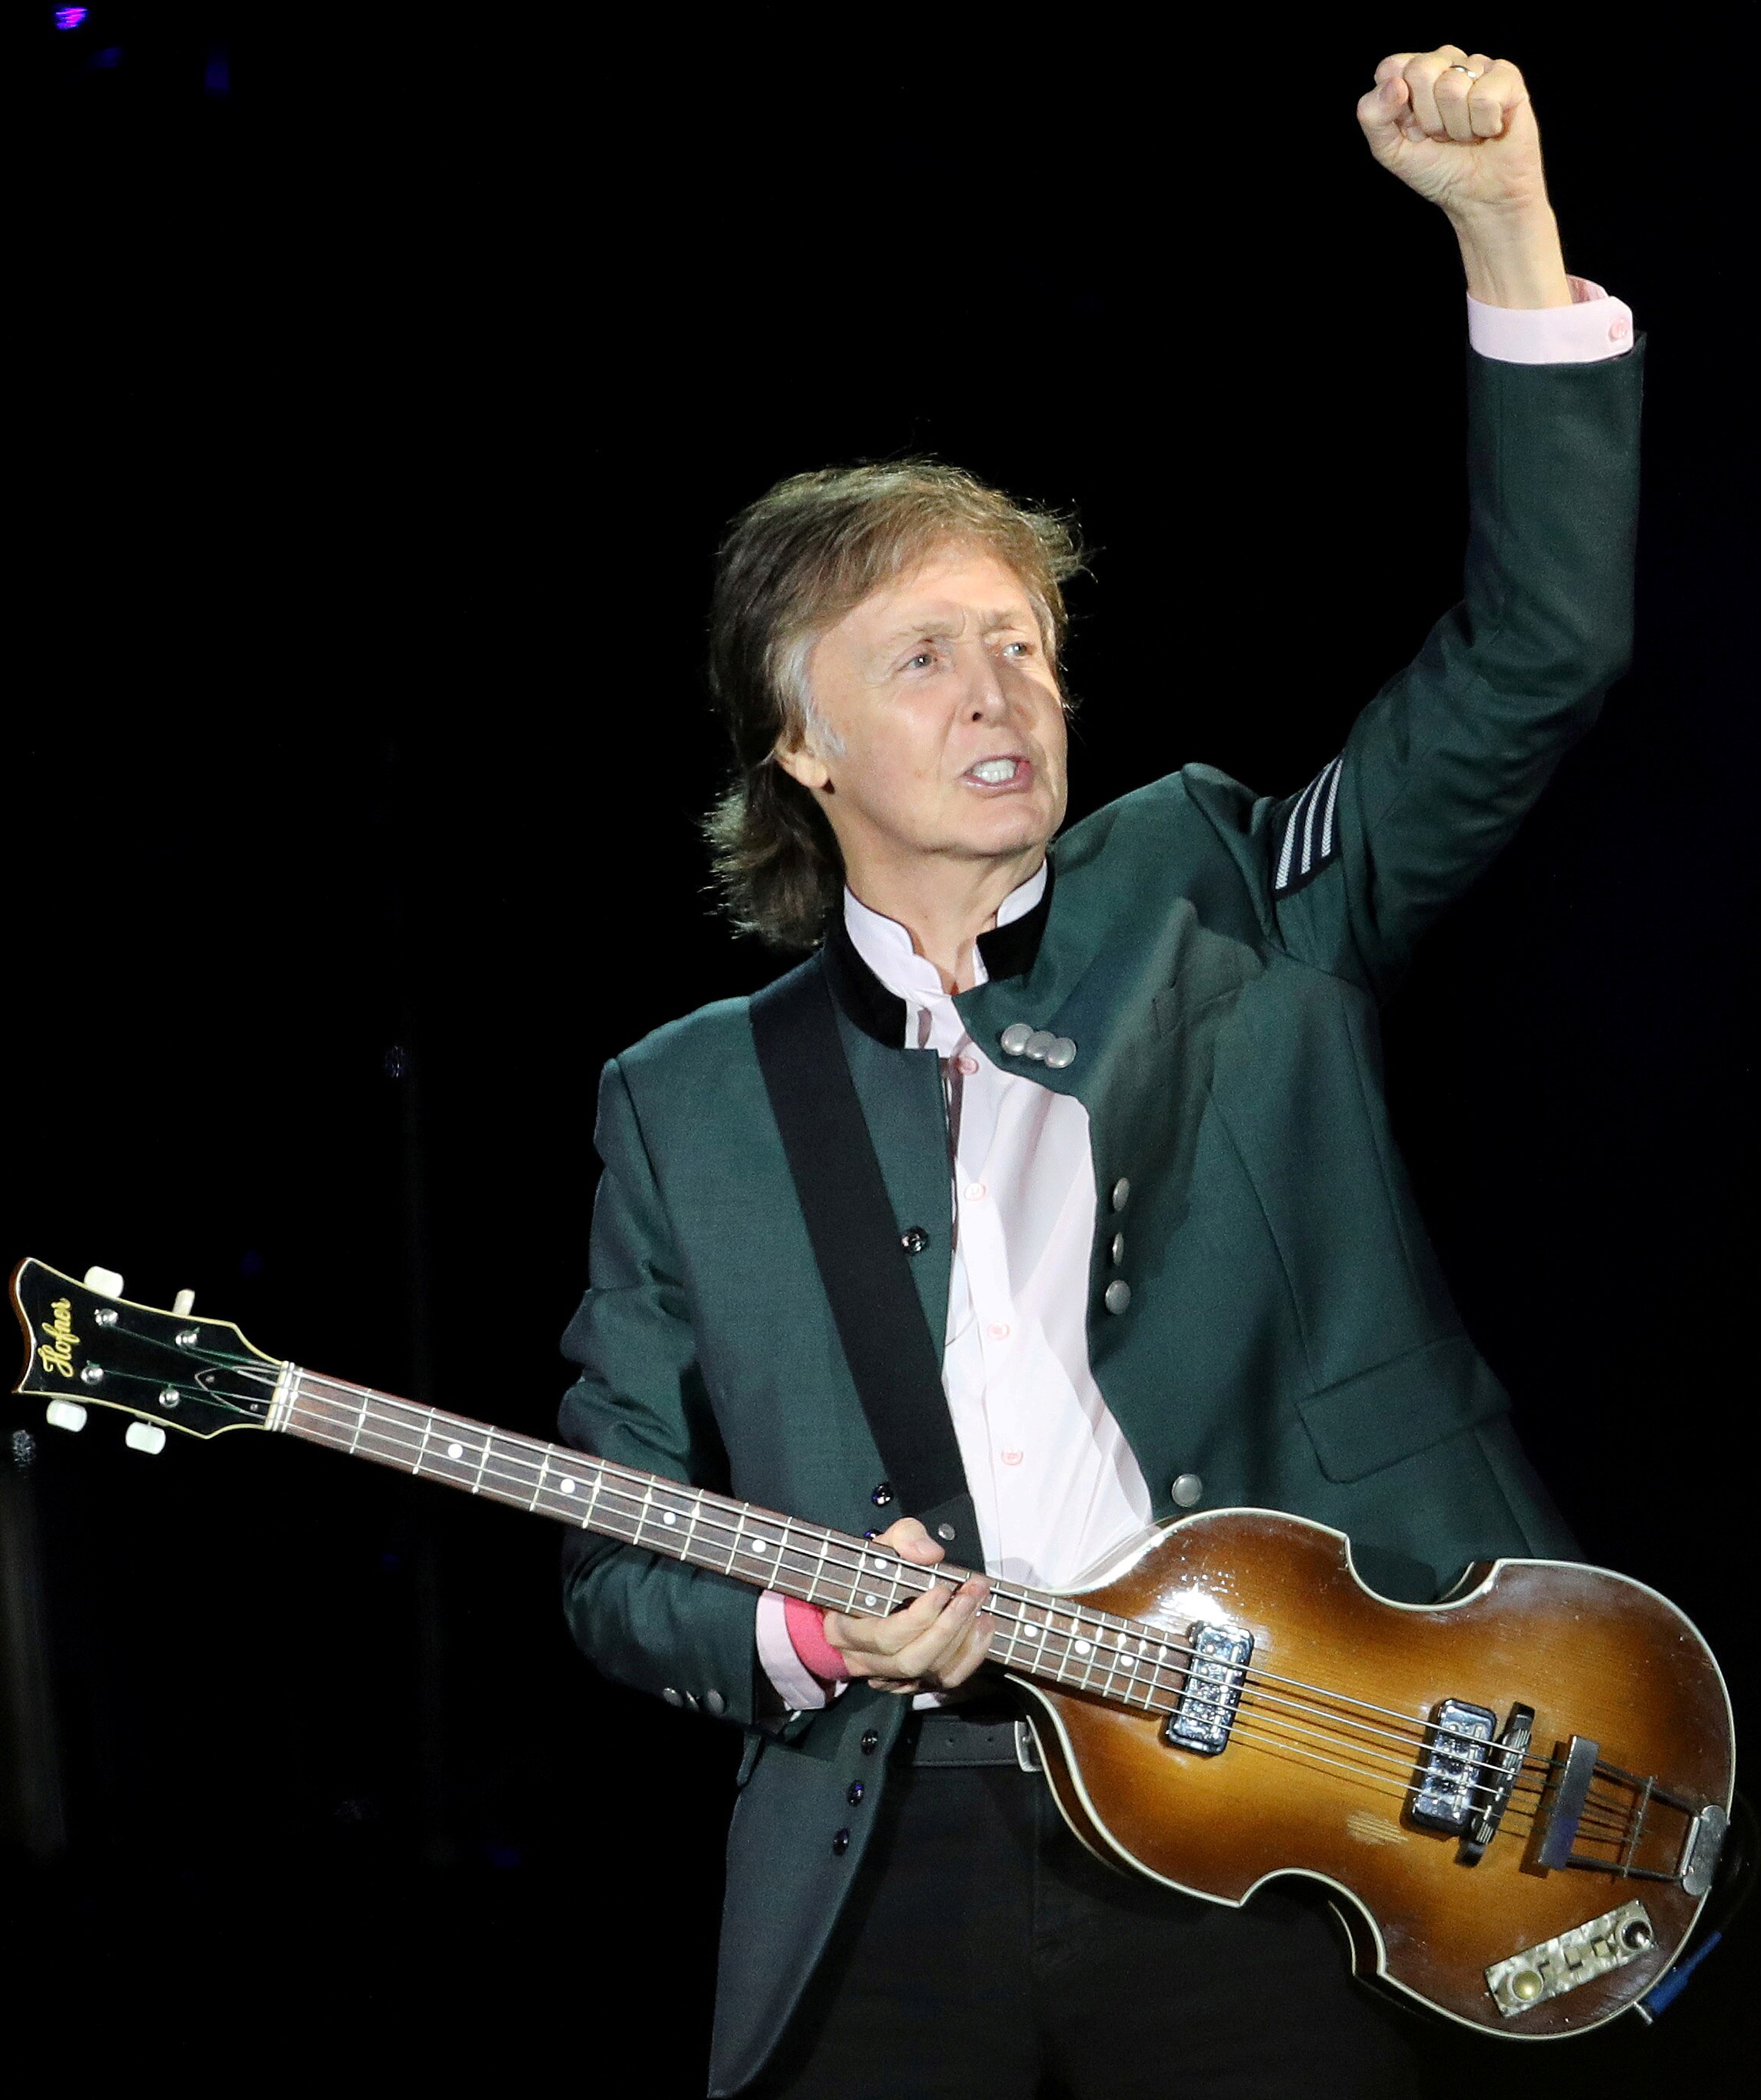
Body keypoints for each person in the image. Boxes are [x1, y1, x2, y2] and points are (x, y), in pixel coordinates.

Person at [557, 45, 1643, 2098]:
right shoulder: (688, 1099)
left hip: (1262, 1818)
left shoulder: (1222, 891)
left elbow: (1536, 658)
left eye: (1026, 641)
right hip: (894, 1848)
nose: (1006, 691)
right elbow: (615, 1559)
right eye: (926, 657)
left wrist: (1504, 232)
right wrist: (799, 1638)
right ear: (798, 744)